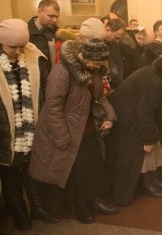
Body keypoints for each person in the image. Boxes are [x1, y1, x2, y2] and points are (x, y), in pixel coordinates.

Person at [29, 38, 119, 224]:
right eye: (94, 61)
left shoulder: (94, 69)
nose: (96, 66)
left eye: (100, 62)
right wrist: (61, 137)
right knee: (76, 172)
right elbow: (53, 106)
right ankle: (81, 206)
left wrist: (110, 117)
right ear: (84, 56)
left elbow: (100, 96)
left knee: (94, 166)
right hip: (68, 129)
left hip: (86, 127)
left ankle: (94, 200)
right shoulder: (62, 72)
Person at [106, 56, 162, 206]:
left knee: (150, 147)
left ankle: (151, 180)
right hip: (128, 119)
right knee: (143, 151)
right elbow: (144, 112)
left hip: (132, 116)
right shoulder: (155, 81)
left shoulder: (157, 75)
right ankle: (146, 183)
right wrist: (148, 139)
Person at [0, 19, 60, 231]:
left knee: (32, 170)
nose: (17, 51)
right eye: (11, 47)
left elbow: (46, 92)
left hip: (32, 126)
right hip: (4, 130)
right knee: (9, 174)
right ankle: (19, 211)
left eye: (21, 47)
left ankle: (38, 208)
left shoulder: (35, 58)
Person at [27, 0, 60, 70]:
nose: (55, 20)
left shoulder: (57, 32)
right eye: (51, 16)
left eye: (57, 17)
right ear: (39, 11)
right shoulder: (26, 33)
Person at [103, 18, 126, 89]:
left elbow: (119, 65)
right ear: (107, 29)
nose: (117, 41)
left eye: (119, 39)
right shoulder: (100, 46)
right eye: (116, 37)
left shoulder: (114, 44)